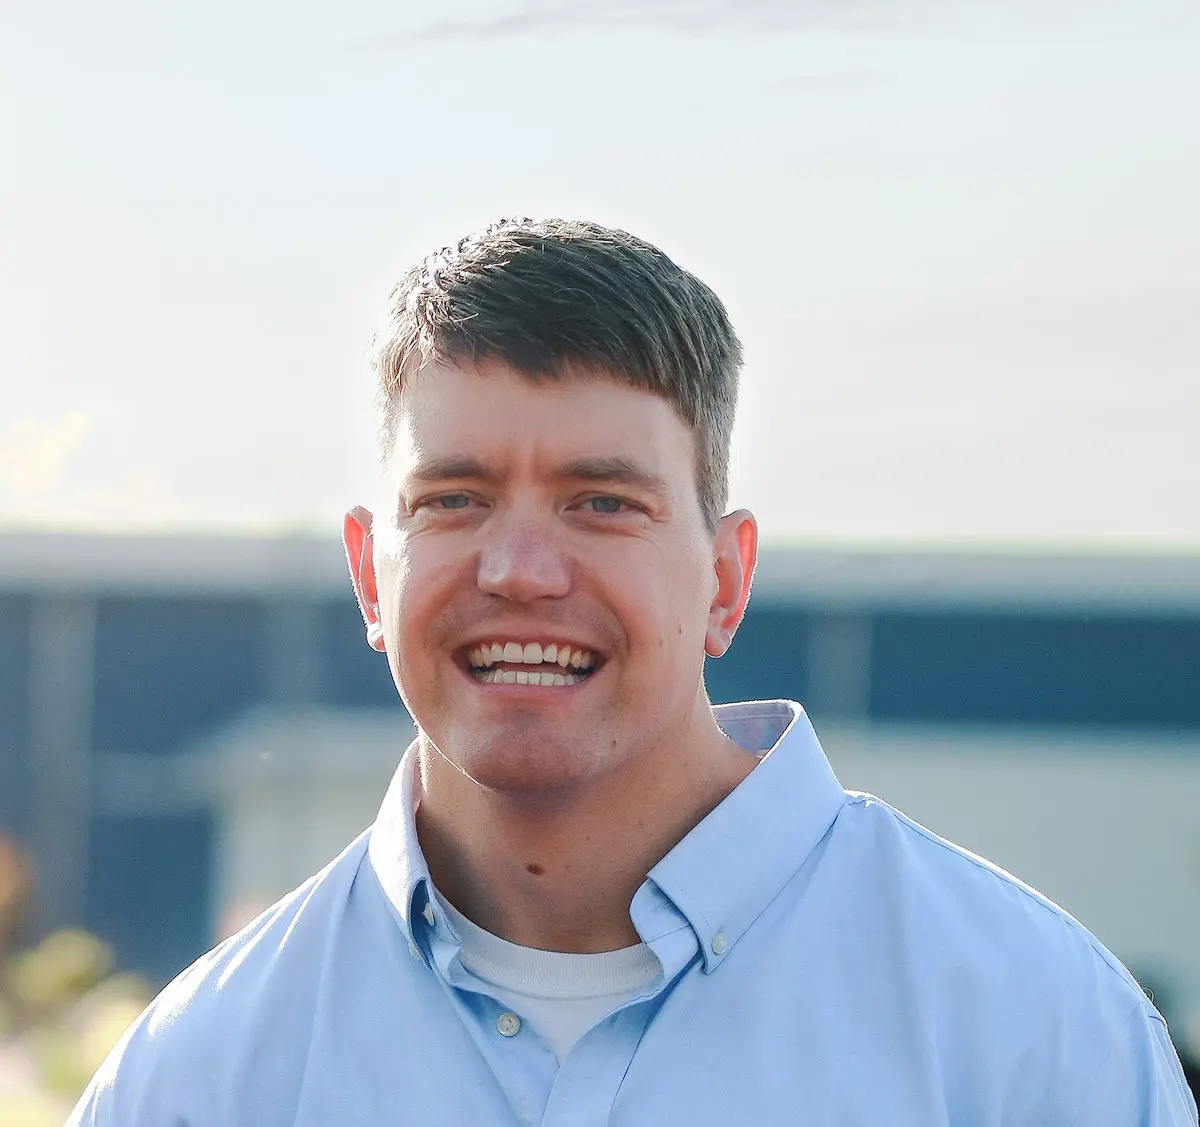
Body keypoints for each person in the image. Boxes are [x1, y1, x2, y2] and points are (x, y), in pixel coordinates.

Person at [68, 218, 1198, 1125]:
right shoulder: (200, 1074)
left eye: (603, 501)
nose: (518, 569)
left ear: (725, 578)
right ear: (370, 573)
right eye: (453, 498)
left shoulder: (1026, 1030)